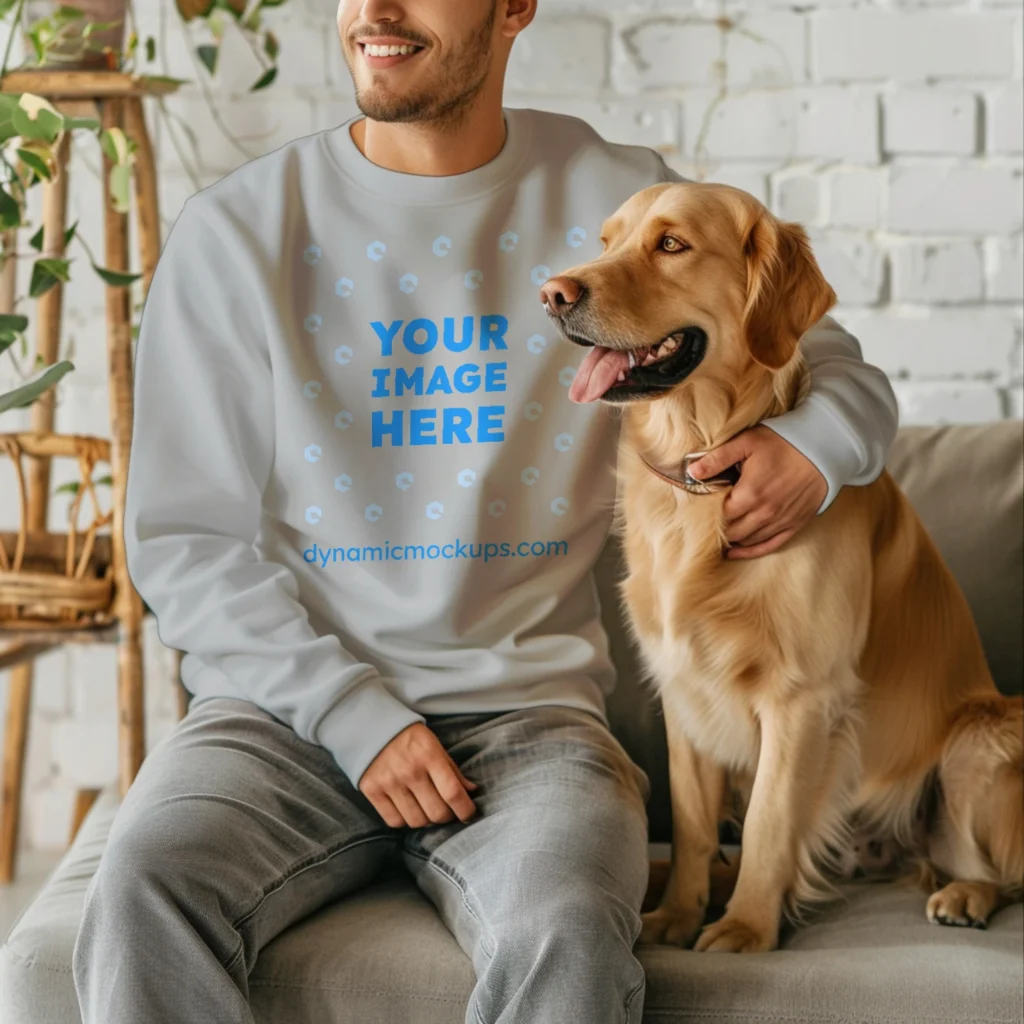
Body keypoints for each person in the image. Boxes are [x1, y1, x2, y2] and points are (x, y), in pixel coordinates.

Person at [71, 1, 899, 1021]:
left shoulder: (611, 196)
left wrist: (811, 449)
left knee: (566, 929)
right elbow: (182, 542)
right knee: (141, 889)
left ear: (513, 8)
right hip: (278, 718)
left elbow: (835, 366)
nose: (374, 9)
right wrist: (352, 716)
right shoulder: (239, 230)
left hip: (533, 723)